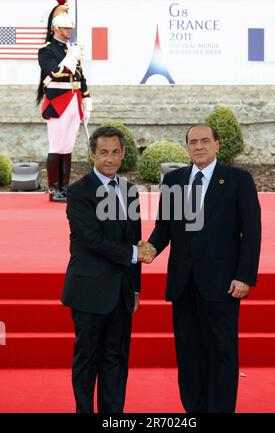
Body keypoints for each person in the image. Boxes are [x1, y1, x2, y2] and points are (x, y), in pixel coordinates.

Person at [141, 123, 261, 413]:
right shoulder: (173, 181)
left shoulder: (237, 179)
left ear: (217, 144)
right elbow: (165, 227)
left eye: (205, 141)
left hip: (222, 285)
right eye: (193, 142)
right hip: (183, 284)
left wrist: (244, 276)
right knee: (189, 353)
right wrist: (151, 248)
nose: (198, 146)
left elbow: (252, 232)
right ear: (187, 147)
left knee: (222, 353)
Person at [61, 126, 155, 413]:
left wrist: (136, 288)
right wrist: (134, 253)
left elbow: (135, 240)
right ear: (92, 153)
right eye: (104, 152)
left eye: (116, 152)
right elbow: (93, 240)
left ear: (124, 153)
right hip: (89, 291)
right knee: (87, 360)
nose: (110, 158)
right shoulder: (78, 193)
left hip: (122, 293)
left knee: (116, 359)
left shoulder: (129, 191)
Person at [37, 0, 92, 202]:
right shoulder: (46, 50)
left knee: (68, 147)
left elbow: (80, 77)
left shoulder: (72, 49)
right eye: (65, 28)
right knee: (56, 146)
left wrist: (87, 99)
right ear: (55, 29)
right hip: (57, 103)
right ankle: (54, 189)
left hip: (74, 102)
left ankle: (65, 187)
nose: (69, 31)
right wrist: (71, 57)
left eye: (70, 28)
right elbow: (55, 72)